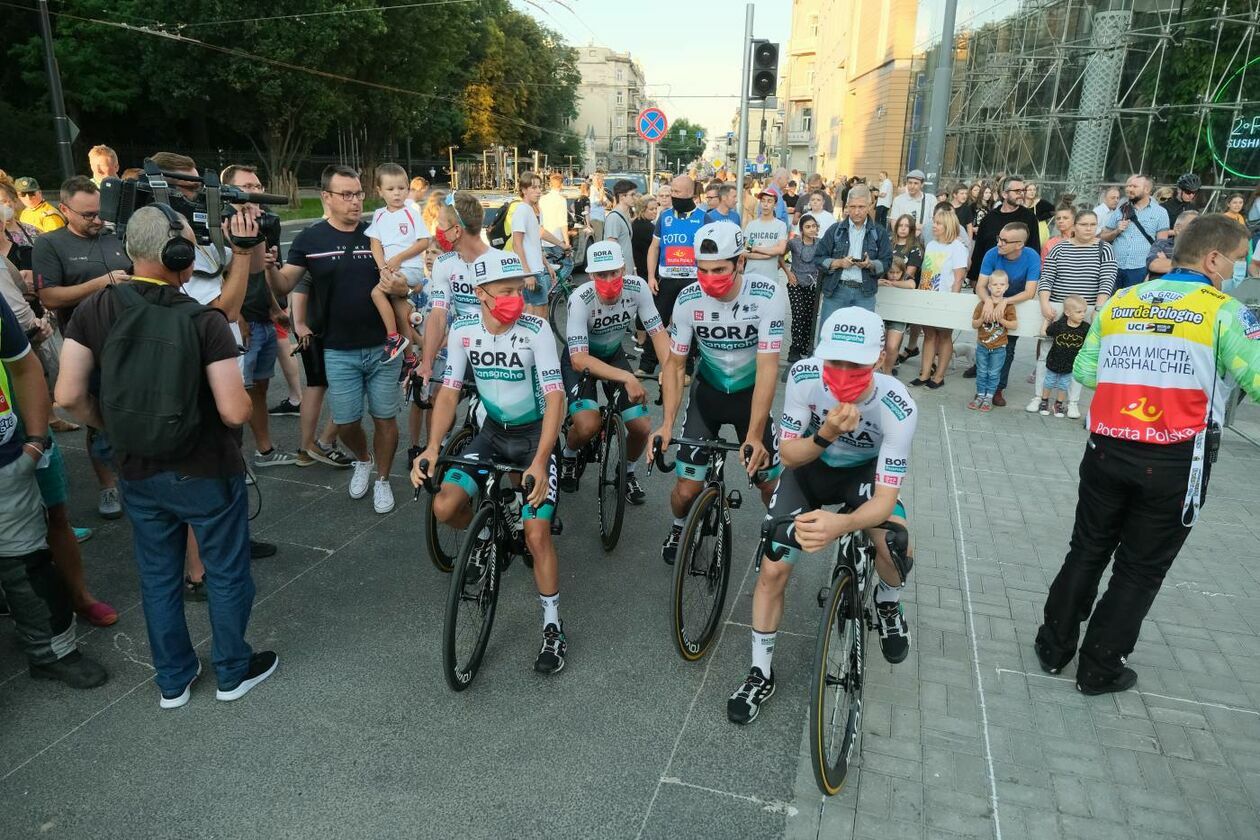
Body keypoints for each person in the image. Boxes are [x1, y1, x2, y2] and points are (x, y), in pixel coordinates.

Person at [56, 205, 278, 706]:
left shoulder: (94, 310)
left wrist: (113, 423)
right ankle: (232, 671)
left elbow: (67, 396)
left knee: (158, 576)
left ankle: (173, 682)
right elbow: (234, 411)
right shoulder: (204, 321)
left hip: (136, 468)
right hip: (204, 469)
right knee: (224, 570)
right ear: (176, 254)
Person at [1035, 214, 1260, 695]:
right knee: (1139, 568)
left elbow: (1088, 370)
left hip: (1108, 446)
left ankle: (1053, 648)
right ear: (1214, 259)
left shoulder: (1122, 300)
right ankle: (1099, 669)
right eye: (1238, 262)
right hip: (1176, 458)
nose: (1239, 272)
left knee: (1088, 548)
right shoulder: (1224, 311)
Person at [727, 307, 916, 724]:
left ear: (880, 361)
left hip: (863, 474)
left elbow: (884, 502)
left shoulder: (897, 404)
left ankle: (888, 603)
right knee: (773, 565)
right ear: (821, 356)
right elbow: (789, 455)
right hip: (811, 469)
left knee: (896, 543)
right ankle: (760, 671)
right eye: (835, 362)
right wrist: (827, 432)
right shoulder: (805, 376)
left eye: (856, 365)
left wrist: (843, 525)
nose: (843, 373)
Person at [410, 250, 569, 674]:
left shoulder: (536, 331)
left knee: (537, 535)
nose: (517, 297)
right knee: (444, 505)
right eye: (506, 291)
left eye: (519, 289)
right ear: (480, 293)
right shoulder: (463, 329)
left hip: (534, 436)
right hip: (492, 433)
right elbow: (448, 393)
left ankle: (553, 627)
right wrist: (431, 448)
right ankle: (488, 538)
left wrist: (540, 460)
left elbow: (556, 398)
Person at [271, 165, 409, 514]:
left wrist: (402, 285)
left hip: (383, 347)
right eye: (346, 195)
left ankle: (381, 478)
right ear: (326, 198)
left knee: (385, 419)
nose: (355, 202)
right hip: (337, 348)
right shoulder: (309, 239)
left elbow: (407, 283)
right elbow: (284, 285)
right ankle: (362, 458)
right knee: (346, 422)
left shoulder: (378, 234)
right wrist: (265, 265)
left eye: (359, 193)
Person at [652, 222, 786, 564]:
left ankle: (775, 532)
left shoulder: (767, 295)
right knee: (685, 491)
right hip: (707, 398)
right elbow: (675, 365)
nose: (709, 277)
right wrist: (666, 424)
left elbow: (769, 368)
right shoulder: (687, 298)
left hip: (748, 399)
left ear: (740, 262)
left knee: (769, 484)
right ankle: (680, 525)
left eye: (720, 269)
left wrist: (755, 434)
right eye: (703, 269)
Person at [32, 176, 131, 519]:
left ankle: (138, 474)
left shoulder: (114, 236)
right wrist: (101, 283)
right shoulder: (50, 244)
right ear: (64, 210)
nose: (96, 220)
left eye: (99, 213)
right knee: (97, 417)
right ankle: (107, 486)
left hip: (130, 338)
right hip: (86, 344)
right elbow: (49, 296)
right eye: (87, 215)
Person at [558, 241, 666, 501]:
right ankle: (569, 456)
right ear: (591, 275)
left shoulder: (637, 287)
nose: (608, 280)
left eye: (614, 273)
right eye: (601, 275)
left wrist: (669, 370)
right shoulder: (580, 298)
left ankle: (626, 472)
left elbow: (659, 335)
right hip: (582, 359)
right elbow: (579, 359)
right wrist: (628, 376)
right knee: (587, 426)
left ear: (624, 269)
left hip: (613, 355)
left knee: (641, 427)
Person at [1029, 208, 1116, 417]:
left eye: (1093, 225)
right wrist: (1044, 303)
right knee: (1045, 355)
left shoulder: (1105, 249)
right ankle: (1040, 397)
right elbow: (1047, 276)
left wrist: (1098, 309)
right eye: (1084, 224)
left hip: (1086, 310)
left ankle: (1072, 401)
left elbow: (1107, 279)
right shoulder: (1059, 248)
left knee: (1078, 356)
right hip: (1058, 309)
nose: (1089, 229)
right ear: (1074, 226)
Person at [640, 175, 705, 376]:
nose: (672, 196)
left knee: (690, 323)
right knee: (656, 321)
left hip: (692, 280)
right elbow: (654, 247)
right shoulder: (665, 217)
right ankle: (647, 364)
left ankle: (687, 369)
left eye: (676, 192)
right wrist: (651, 276)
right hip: (666, 280)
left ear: (690, 194)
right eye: (670, 192)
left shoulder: (704, 218)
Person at [366, 163, 431, 362]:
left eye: (402, 188)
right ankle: (410, 358)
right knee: (401, 312)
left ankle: (393, 337)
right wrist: (383, 268)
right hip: (391, 269)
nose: (397, 194)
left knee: (376, 293)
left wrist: (399, 258)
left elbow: (424, 242)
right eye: (390, 189)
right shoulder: (379, 214)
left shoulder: (411, 212)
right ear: (379, 191)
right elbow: (374, 243)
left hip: (409, 269)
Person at [972, 222, 1041, 405]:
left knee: (1007, 349)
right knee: (985, 345)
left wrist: (1005, 302)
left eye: (1004, 240)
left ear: (1019, 244)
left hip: (1015, 304)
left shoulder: (1032, 256)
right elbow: (980, 285)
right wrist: (988, 301)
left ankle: (997, 389)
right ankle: (982, 389)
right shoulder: (991, 254)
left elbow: (1030, 291)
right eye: (999, 238)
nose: (999, 243)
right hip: (991, 301)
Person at [815, 186, 891, 324]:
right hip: (836, 291)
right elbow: (818, 258)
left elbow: (887, 262)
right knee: (828, 338)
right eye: (853, 206)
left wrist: (871, 264)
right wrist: (838, 263)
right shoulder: (835, 230)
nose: (857, 211)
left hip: (865, 294)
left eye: (861, 207)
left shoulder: (879, 232)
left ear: (869, 206)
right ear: (847, 207)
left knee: (862, 341)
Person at [911, 209, 968, 389]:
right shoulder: (931, 245)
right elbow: (926, 273)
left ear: (948, 226)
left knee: (944, 336)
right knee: (928, 335)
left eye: (938, 223)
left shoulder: (958, 247)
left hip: (946, 299)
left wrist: (952, 302)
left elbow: (958, 277)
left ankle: (939, 376)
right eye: (933, 222)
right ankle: (925, 373)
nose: (933, 226)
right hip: (928, 296)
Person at [1100, 174, 1170, 290]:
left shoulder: (1160, 212)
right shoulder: (1121, 209)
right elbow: (1102, 236)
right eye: (1128, 186)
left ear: (1146, 189)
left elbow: (1161, 244)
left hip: (1140, 268)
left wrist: (1152, 271)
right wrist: (1117, 231)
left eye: (1134, 186)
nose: (1129, 189)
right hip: (1115, 267)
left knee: (1131, 305)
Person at [968, 175, 1041, 286]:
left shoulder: (1030, 218)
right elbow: (979, 251)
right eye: (1017, 191)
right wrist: (974, 279)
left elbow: (1034, 250)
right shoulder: (989, 219)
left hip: (1018, 284)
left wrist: (1031, 281)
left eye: (1023, 190)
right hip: (990, 283)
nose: (1021, 194)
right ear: (1004, 194)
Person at [510, 171, 565, 318]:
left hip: (536, 270)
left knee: (534, 313)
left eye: (539, 187)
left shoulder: (532, 210)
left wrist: (546, 264)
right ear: (523, 190)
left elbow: (534, 243)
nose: (539, 191)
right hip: (531, 272)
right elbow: (517, 244)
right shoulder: (522, 210)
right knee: (540, 316)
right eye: (534, 188)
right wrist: (527, 273)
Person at [968, 270, 1017, 411]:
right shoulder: (982, 304)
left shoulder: (1008, 306)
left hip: (999, 347)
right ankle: (980, 395)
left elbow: (1014, 325)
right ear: (989, 287)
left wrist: (1001, 319)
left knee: (994, 373)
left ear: (1007, 287)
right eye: (995, 284)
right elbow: (974, 324)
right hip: (982, 345)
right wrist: (983, 317)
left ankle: (989, 397)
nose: (998, 287)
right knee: (982, 371)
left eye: (1002, 284)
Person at [1036, 295, 1089, 418]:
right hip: (1054, 360)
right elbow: (1044, 333)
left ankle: (1058, 404)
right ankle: (1044, 401)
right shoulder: (1060, 325)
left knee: (1064, 385)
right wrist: (1047, 320)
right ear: (1067, 313)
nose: (1083, 314)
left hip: (1070, 364)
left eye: (1084, 312)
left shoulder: (1086, 328)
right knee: (1049, 381)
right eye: (1079, 312)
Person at [784, 213, 825, 365]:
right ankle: (794, 348)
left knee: (810, 317)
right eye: (808, 227)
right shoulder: (794, 243)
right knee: (798, 314)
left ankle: (806, 347)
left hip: (813, 285)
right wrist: (788, 273)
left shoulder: (820, 243)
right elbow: (780, 256)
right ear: (801, 229)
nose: (811, 229)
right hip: (796, 283)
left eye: (814, 226)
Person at [878, 257, 915, 374]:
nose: (894, 275)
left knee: (892, 347)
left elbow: (912, 284)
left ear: (902, 272)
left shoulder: (906, 278)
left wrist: (893, 283)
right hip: (881, 315)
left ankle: (888, 372)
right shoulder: (881, 276)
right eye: (891, 272)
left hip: (898, 316)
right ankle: (881, 368)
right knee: (881, 346)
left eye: (897, 272)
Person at [743, 189, 789, 281]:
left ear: (775, 205)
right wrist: (767, 255)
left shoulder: (780, 225)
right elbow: (746, 251)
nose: (765, 204)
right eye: (763, 201)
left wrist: (756, 249)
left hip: (770, 277)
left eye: (769, 201)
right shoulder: (751, 225)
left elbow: (780, 249)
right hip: (751, 276)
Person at [1146, 210, 1198, 278]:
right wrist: (1192, 267)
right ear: (1178, 228)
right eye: (1194, 227)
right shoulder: (1161, 244)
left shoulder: (1201, 248)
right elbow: (1154, 265)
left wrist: (1166, 262)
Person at [603, 179, 638, 276]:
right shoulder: (614, 217)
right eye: (632, 195)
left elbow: (627, 245)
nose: (635, 198)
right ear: (622, 196)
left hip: (627, 271)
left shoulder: (624, 215)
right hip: (620, 273)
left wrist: (634, 269)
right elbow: (612, 246)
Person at [631, 196, 658, 304]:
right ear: (642, 210)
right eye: (651, 209)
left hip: (641, 271)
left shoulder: (636, 224)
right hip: (646, 273)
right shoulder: (647, 228)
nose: (655, 212)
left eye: (656, 208)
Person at [890, 169, 930, 235]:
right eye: (910, 183)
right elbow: (894, 225)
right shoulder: (898, 200)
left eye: (916, 183)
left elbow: (932, 226)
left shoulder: (930, 199)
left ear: (922, 184)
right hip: (904, 240)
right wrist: (918, 227)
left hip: (923, 241)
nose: (912, 186)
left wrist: (910, 227)